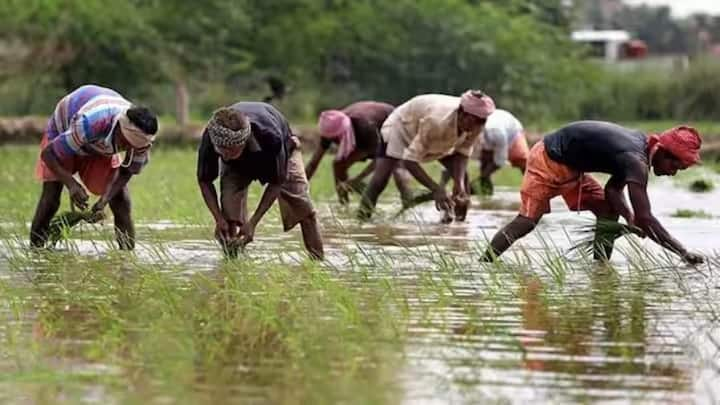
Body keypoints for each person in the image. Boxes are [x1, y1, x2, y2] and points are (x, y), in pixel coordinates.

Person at [481, 121, 704, 264]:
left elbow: (613, 190)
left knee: (607, 210)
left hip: (571, 168)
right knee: (527, 221)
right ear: (663, 153)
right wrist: (682, 252)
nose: (673, 173)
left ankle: (600, 268)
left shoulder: (641, 149)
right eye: (675, 167)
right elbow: (646, 218)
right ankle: (485, 263)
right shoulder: (636, 161)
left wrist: (629, 217)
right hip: (547, 159)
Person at [30, 84, 158, 250]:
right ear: (119, 130)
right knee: (51, 197)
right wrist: (71, 184)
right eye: (125, 144)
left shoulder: (142, 141)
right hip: (65, 131)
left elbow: (127, 171)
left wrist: (106, 198)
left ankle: (126, 257)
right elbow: (48, 154)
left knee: (121, 199)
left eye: (131, 147)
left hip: (98, 145)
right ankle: (35, 252)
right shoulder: (90, 122)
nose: (126, 149)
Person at [197, 102, 323, 260]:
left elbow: (277, 182)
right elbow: (204, 180)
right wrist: (219, 218)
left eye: (231, 150)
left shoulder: (271, 137)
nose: (226, 156)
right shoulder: (212, 135)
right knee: (229, 221)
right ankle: (233, 265)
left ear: (243, 141)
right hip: (236, 167)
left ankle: (318, 262)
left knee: (304, 209)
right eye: (221, 151)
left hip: (283, 153)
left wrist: (253, 223)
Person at [357, 90, 496, 221]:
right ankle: (362, 219)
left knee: (462, 184)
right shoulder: (436, 121)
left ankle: (458, 227)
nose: (476, 127)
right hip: (402, 127)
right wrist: (436, 189)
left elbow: (463, 152)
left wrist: (459, 185)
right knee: (381, 178)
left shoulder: (477, 125)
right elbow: (409, 160)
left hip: (437, 136)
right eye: (473, 121)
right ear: (462, 113)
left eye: (481, 122)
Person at [305, 101, 414, 205]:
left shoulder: (365, 128)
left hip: (392, 124)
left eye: (338, 139)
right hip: (362, 135)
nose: (336, 142)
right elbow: (313, 163)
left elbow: (380, 160)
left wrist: (357, 179)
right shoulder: (330, 127)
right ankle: (344, 205)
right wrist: (296, 189)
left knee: (397, 170)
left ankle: (408, 203)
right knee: (338, 165)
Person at [473, 108, 528, 195]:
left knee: (521, 160)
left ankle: (532, 188)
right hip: (492, 134)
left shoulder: (497, 132)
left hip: (512, 132)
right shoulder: (473, 129)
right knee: (485, 163)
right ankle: (485, 189)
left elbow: (500, 160)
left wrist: (481, 177)